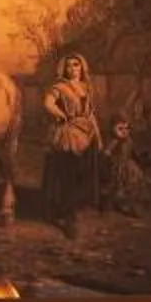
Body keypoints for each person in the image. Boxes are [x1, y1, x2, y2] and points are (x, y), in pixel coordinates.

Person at [41, 51, 100, 233]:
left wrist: (98, 136)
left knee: (83, 175)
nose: (73, 68)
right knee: (68, 176)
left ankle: (73, 209)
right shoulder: (60, 87)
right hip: (69, 135)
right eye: (69, 65)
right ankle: (68, 218)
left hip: (87, 134)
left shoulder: (86, 87)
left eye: (76, 64)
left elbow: (90, 114)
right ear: (63, 69)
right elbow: (47, 103)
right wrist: (61, 114)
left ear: (82, 67)